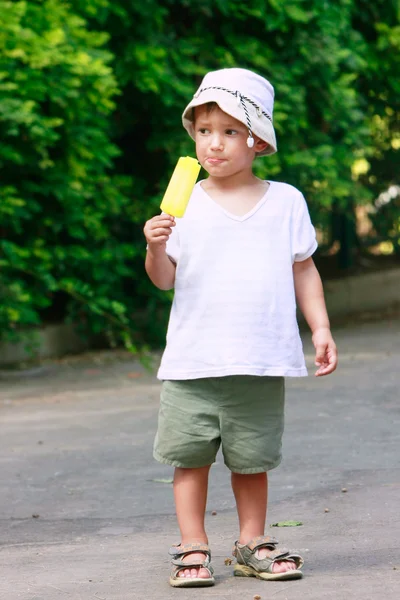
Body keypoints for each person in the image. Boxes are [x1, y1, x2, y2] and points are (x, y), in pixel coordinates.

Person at [143, 68, 338, 588]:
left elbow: (304, 268)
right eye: (205, 130)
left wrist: (319, 327)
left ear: (258, 140)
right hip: (192, 361)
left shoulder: (286, 201)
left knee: (251, 461)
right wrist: (155, 245)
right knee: (189, 460)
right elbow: (164, 281)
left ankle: (251, 542)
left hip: (260, 357)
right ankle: (192, 548)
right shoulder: (183, 207)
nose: (214, 143)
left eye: (230, 131)